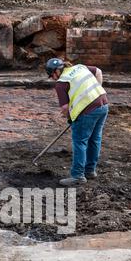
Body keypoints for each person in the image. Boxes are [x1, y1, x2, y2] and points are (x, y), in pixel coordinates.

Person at [46, 58, 109, 186]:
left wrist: (70, 118)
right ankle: (90, 171)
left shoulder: (61, 83)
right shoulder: (80, 67)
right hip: (103, 105)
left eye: (51, 76)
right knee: (94, 139)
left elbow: (64, 108)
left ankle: (78, 176)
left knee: (80, 142)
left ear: (55, 72)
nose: (53, 78)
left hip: (87, 112)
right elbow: (98, 72)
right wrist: (95, 91)